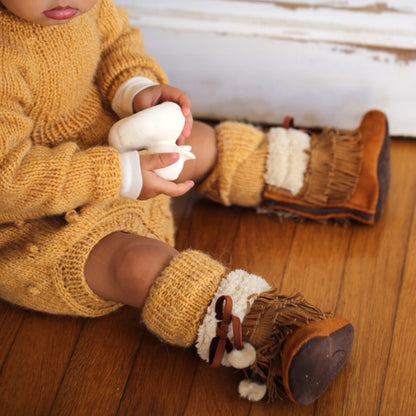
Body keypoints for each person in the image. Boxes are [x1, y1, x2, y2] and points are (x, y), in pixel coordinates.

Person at [0, 0, 390, 404]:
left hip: (123, 157)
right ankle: (270, 335)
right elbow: (9, 180)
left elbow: (117, 45)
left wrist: (135, 89)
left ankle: (333, 175)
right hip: (46, 226)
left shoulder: (88, 8)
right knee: (136, 264)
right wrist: (119, 174)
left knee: (200, 140)